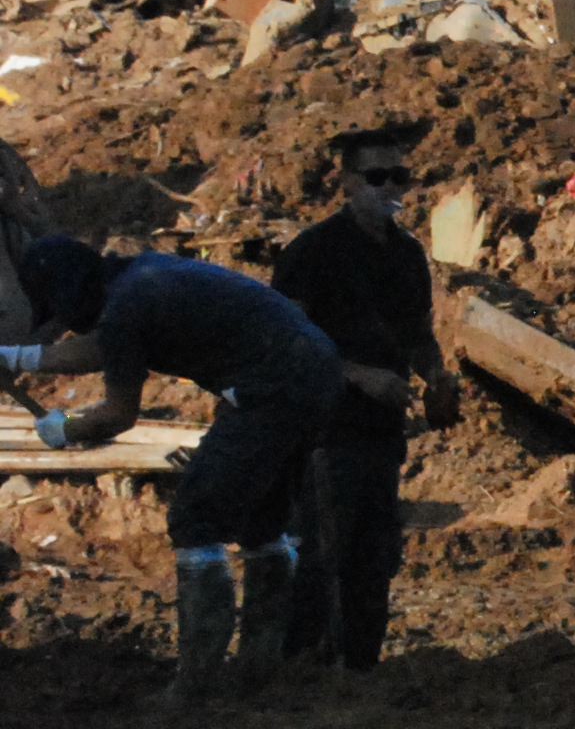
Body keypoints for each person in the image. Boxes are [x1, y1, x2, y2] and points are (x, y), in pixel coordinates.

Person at [9, 235, 347, 699]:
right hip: (313, 370)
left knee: (195, 518)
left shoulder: (129, 306)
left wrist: (63, 428)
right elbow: (107, 344)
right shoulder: (139, 279)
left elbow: (118, 413)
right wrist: (21, 358)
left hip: (270, 389)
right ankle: (265, 666)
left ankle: (199, 683)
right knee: (261, 522)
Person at [269, 125, 464, 670]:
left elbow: (417, 334)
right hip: (324, 429)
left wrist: (437, 378)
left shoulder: (406, 254)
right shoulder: (313, 252)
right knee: (322, 554)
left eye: (398, 175)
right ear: (347, 182)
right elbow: (286, 340)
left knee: (375, 556)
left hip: (380, 429)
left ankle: (360, 668)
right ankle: (301, 668)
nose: (389, 186)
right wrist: (357, 375)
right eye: (376, 176)